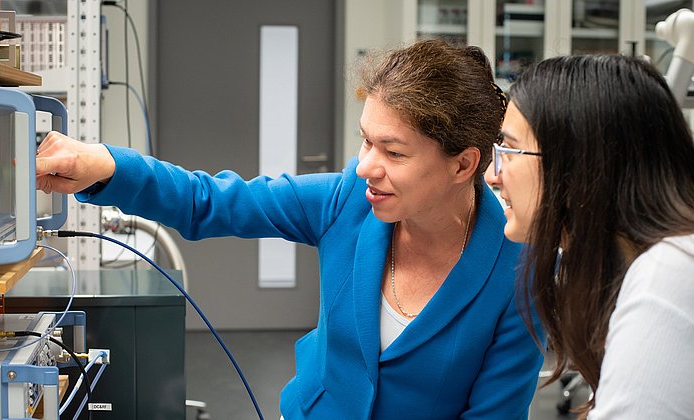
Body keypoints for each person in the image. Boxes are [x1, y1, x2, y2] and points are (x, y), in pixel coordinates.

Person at [37, 39, 543, 418]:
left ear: (463, 165)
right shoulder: (348, 199)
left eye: (393, 152)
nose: (366, 165)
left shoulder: (521, 274)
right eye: (365, 141)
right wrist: (103, 165)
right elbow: (208, 200)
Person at [484, 54, 694, 419]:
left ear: (578, 164)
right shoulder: (642, 266)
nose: (492, 175)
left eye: (510, 151)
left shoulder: (668, 274)